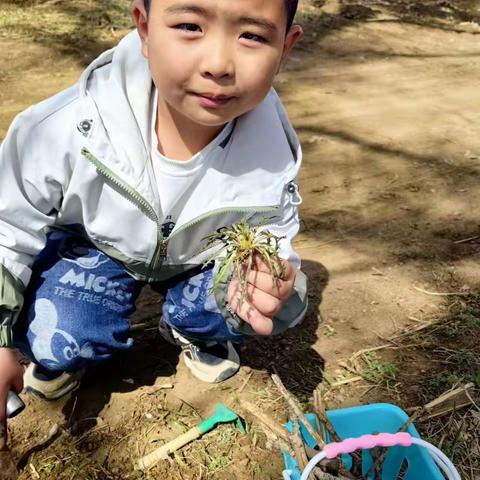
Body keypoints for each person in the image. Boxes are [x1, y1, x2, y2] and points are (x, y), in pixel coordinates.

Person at [0, 0, 307, 435]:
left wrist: (272, 276)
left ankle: (191, 327)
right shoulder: (61, 129)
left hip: (198, 260)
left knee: (258, 299)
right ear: (144, 29)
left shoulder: (273, 156)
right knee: (60, 335)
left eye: (252, 36)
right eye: (189, 26)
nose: (218, 64)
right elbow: (5, 228)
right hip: (97, 249)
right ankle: (67, 348)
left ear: (285, 48)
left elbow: (274, 235)